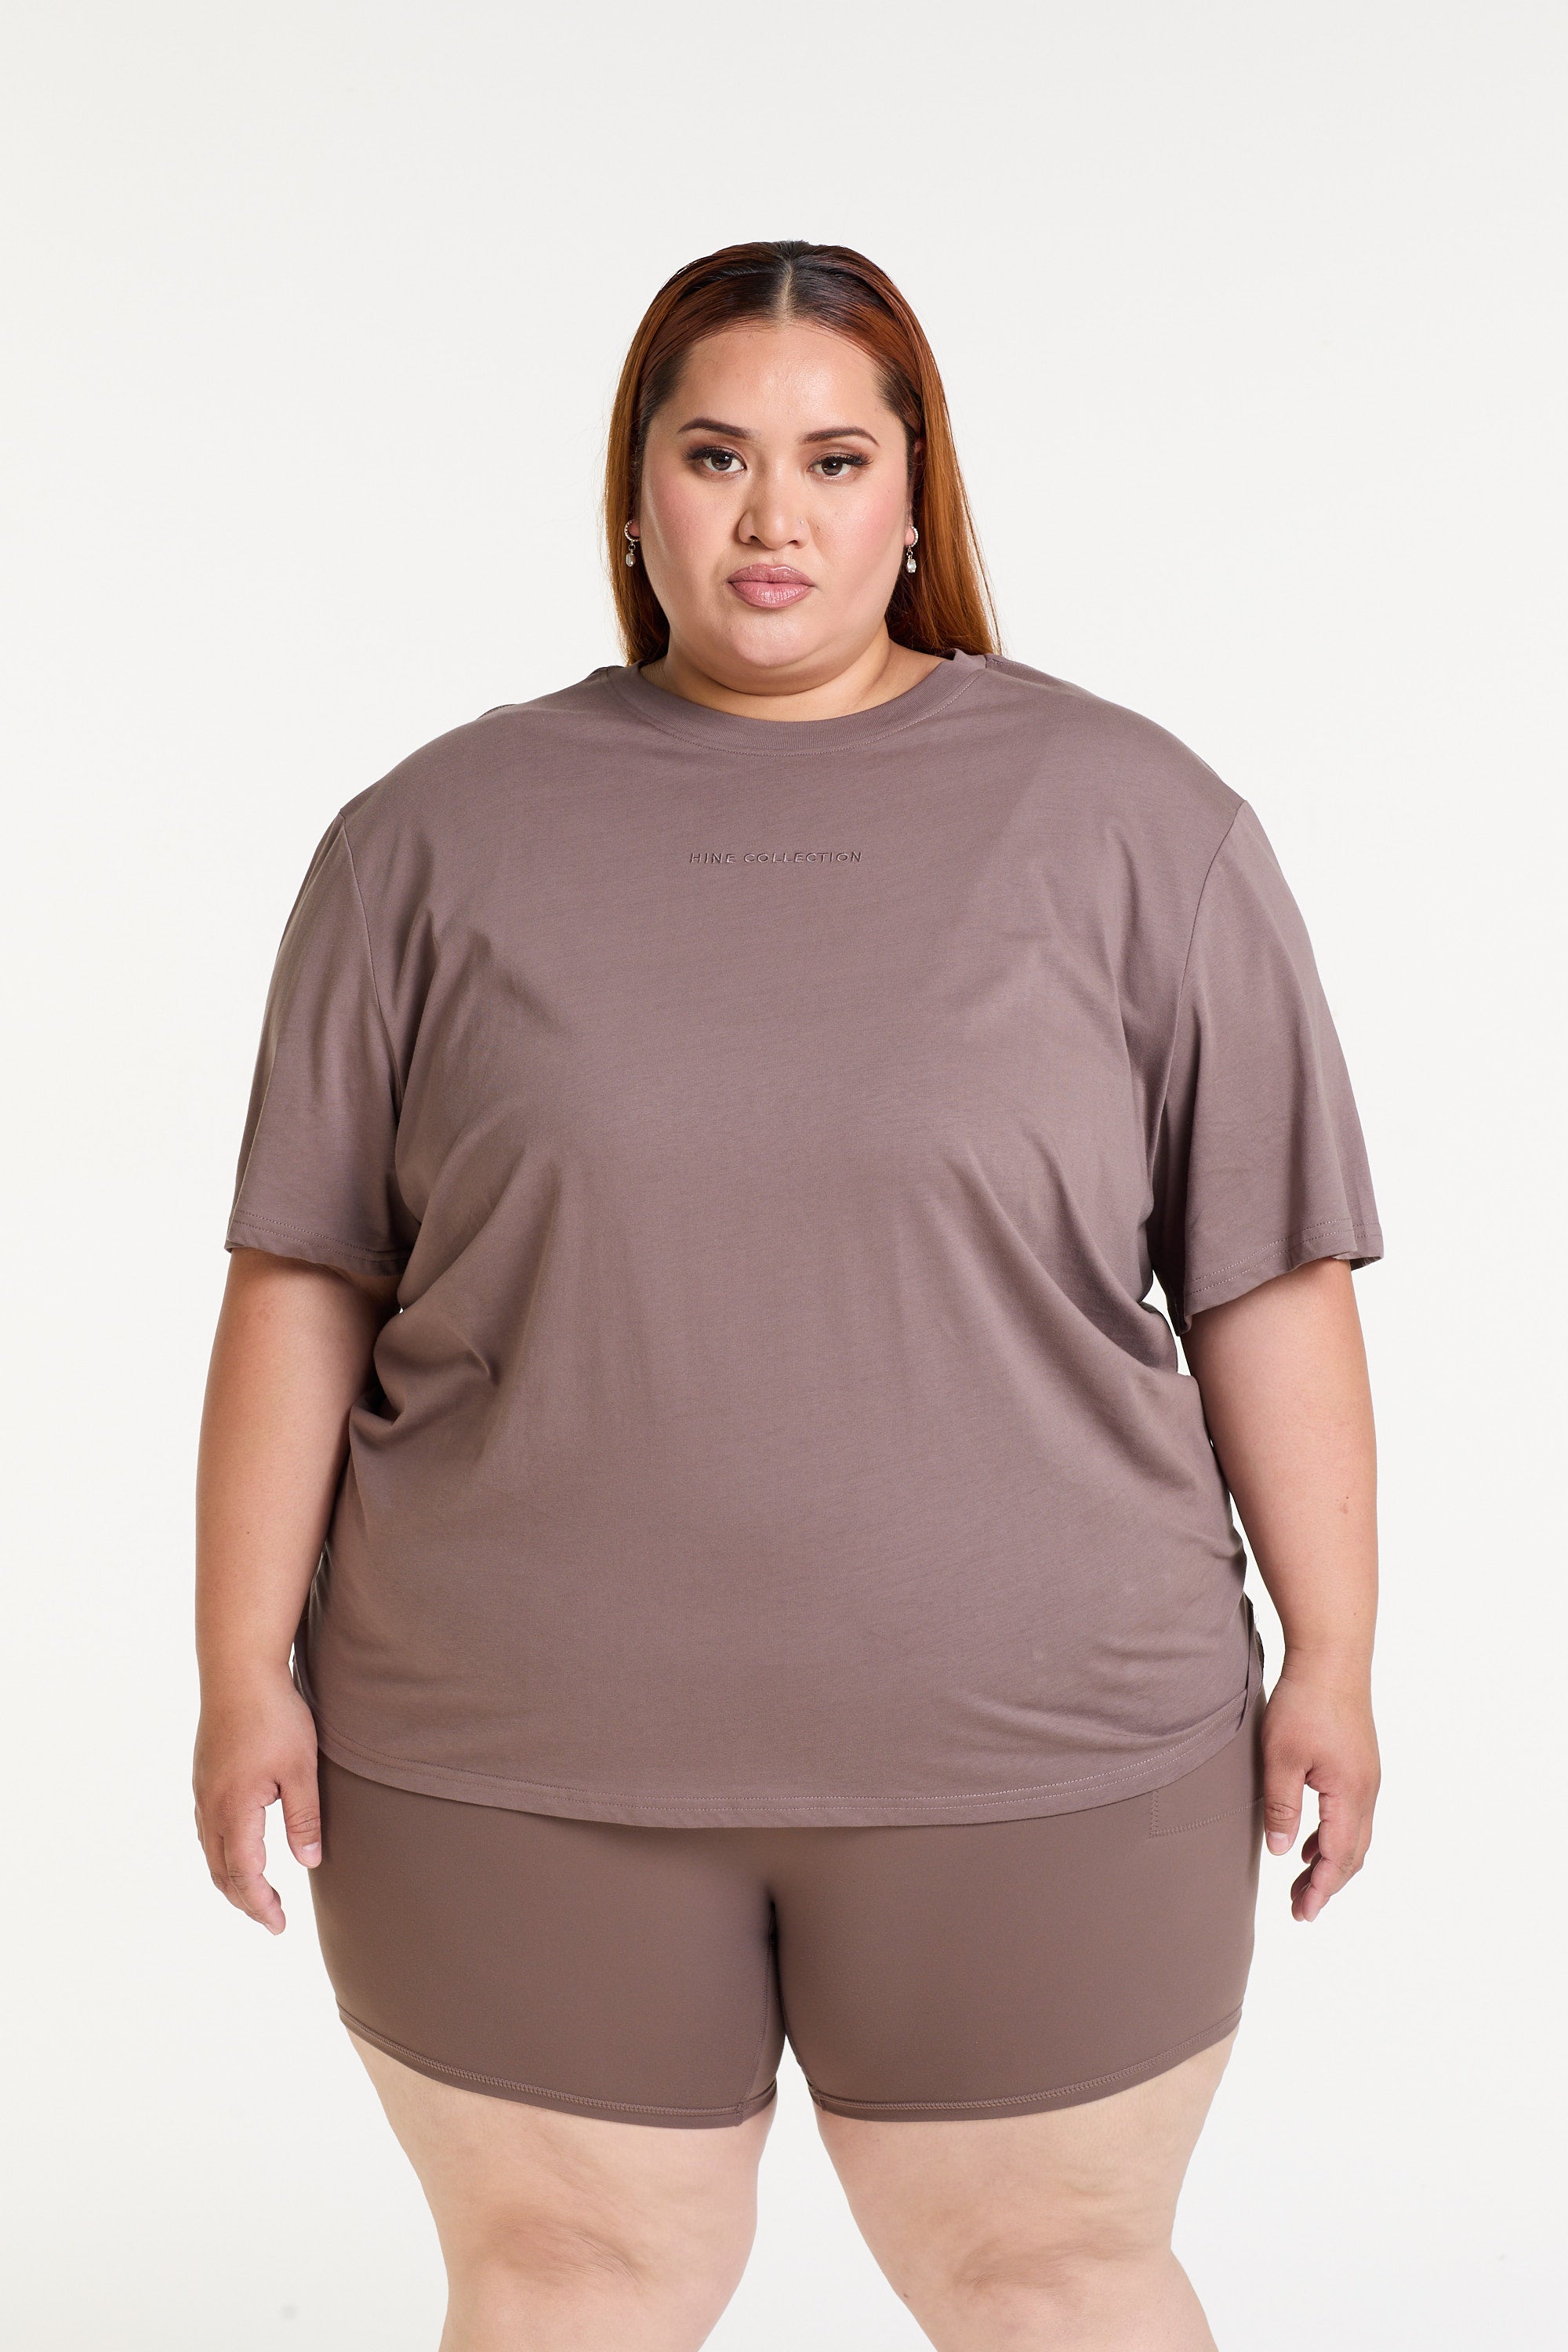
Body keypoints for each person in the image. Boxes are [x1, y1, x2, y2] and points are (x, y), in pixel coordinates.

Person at [194, 239, 1384, 2352]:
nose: (773, 516)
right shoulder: (429, 842)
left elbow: (1264, 1276)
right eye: (715, 454)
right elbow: (304, 1277)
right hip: (507, 1746)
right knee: (567, 2285)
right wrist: (234, 1671)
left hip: (1045, 1744)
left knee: (1052, 2282)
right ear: (636, 490)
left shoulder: (1136, 824)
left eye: (834, 460)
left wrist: (1339, 1660)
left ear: (916, 498)